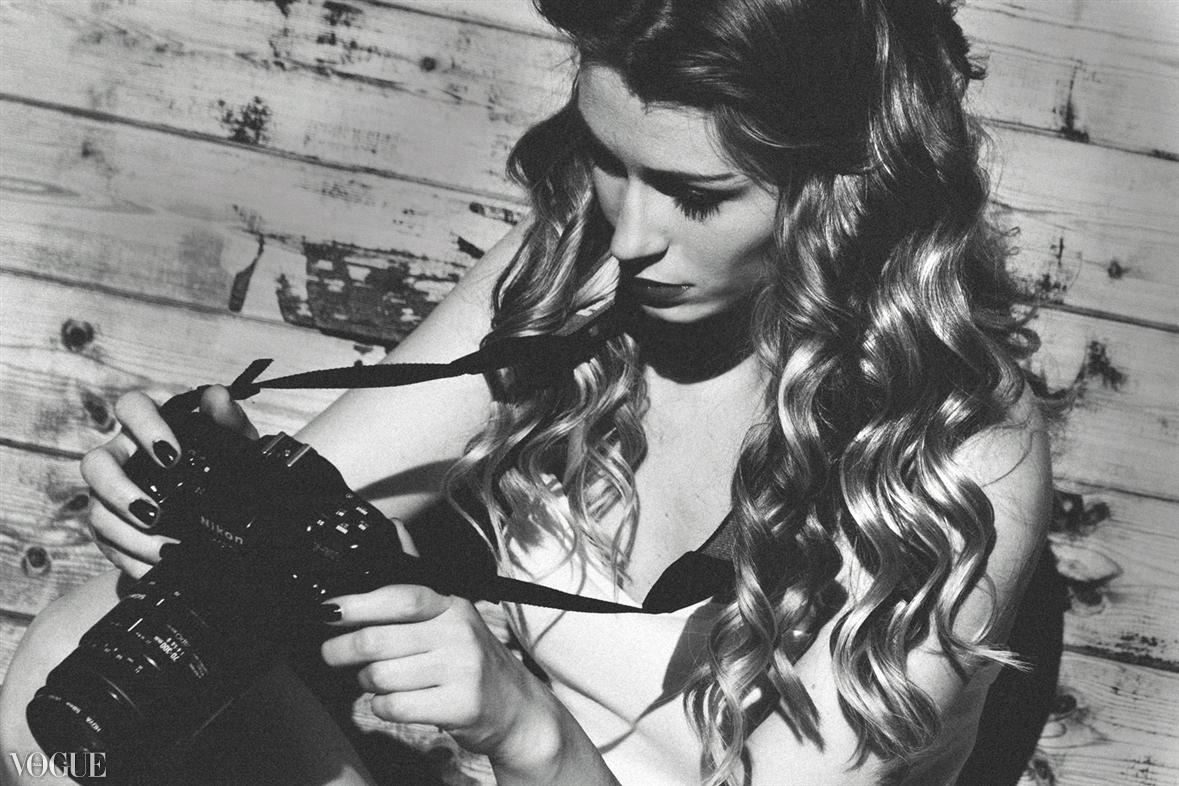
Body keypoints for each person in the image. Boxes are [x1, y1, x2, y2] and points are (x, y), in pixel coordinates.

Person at [0, 0, 1053, 783]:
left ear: (847, 185)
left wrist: (525, 728)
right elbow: (329, 496)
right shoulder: (581, 268)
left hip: (537, 764)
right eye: (608, 160)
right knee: (80, 646)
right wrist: (205, 500)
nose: (631, 237)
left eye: (694, 195)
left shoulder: (959, 449)